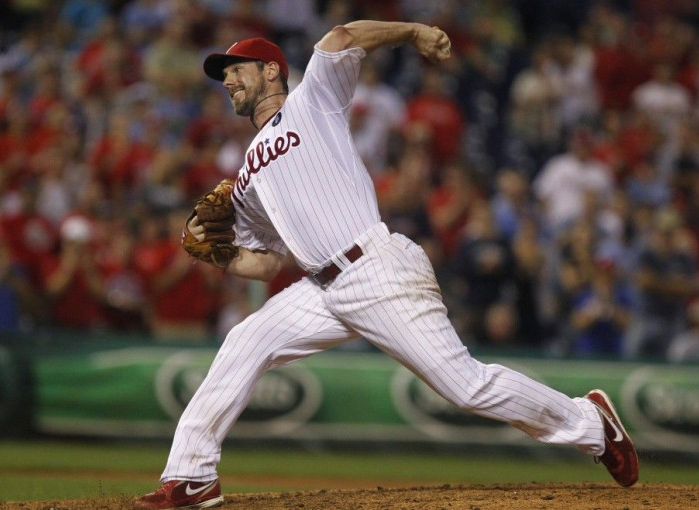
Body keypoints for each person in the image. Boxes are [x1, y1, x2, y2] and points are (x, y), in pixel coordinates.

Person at [134, 20, 638, 509]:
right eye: (223, 73)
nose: (227, 79)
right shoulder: (245, 174)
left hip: (375, 267)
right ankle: (191, 475)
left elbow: (342, 37)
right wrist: (218, 253)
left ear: (270, 71)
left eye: (236, 67)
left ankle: (591, 423)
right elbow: (265, 266)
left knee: (466, 386)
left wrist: (414, 31)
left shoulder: (313, 103)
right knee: (246, 341)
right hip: (322, 289)